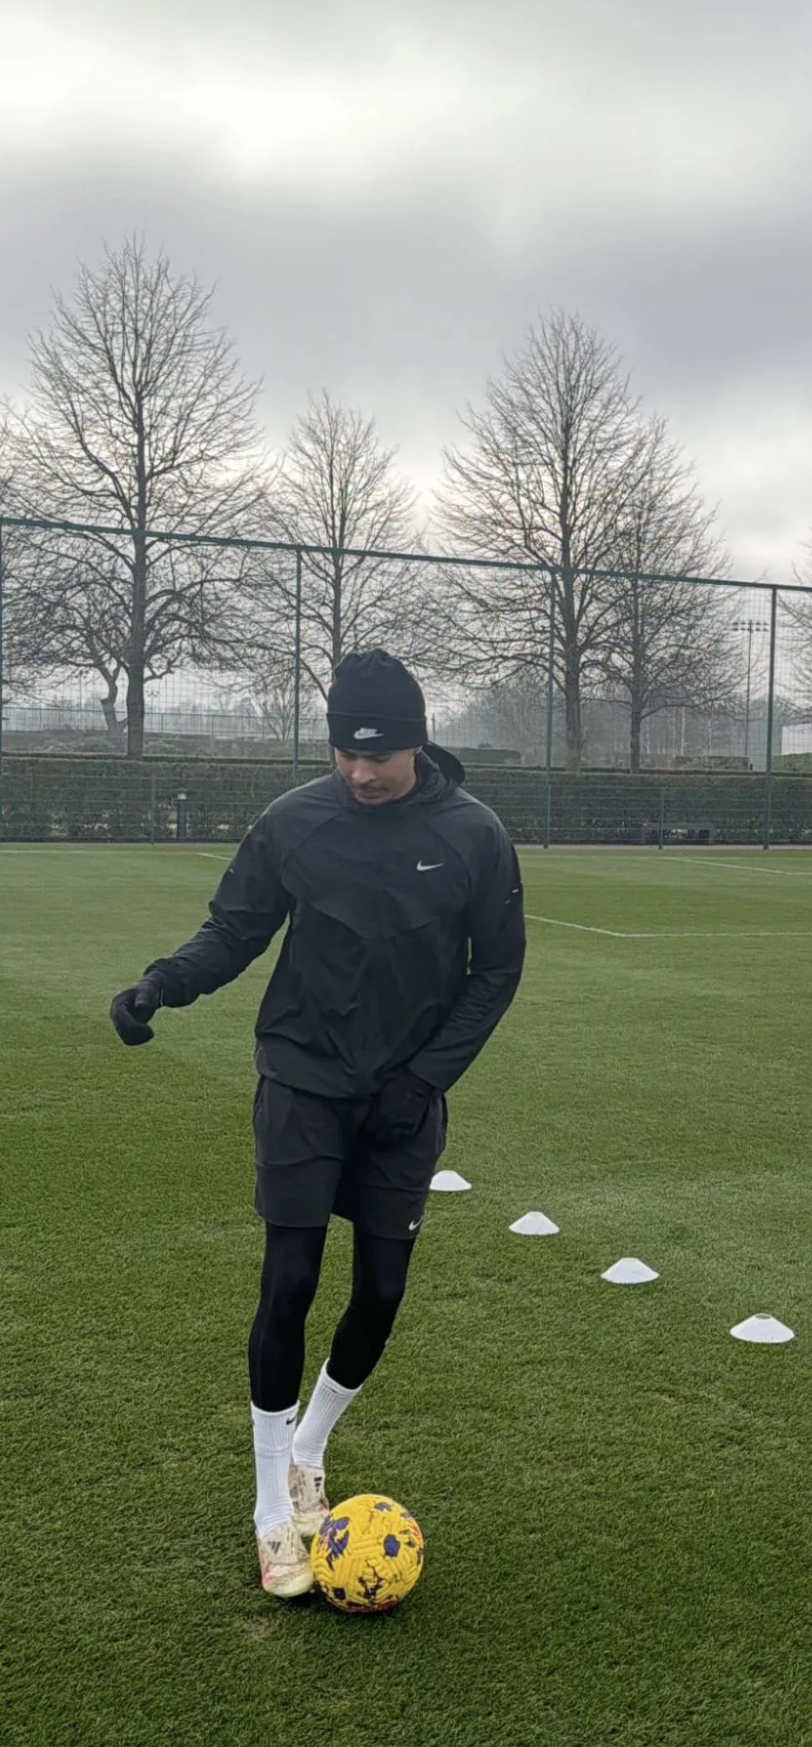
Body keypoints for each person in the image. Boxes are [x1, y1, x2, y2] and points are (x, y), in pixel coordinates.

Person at [108, 651, 526, 1598]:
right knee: (288, 1278)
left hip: (402, 1101)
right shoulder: (293, 822)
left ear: (417, 740)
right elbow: (237, 928)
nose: (360, 773)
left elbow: (495, 971)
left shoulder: (475, 835)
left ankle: (309, 1450)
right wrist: (162, 986)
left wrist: (423, 1081)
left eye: (377, 756)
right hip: (301, 1079)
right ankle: (270, 1511)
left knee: (379, 1294)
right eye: (345, 753)